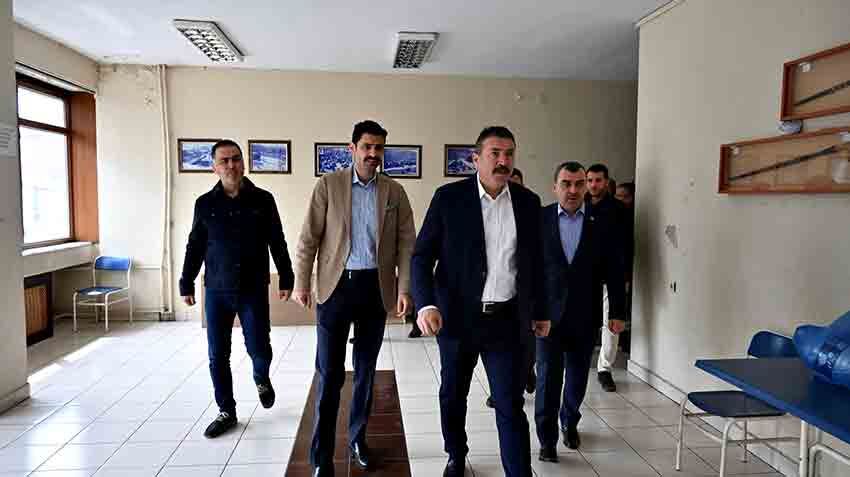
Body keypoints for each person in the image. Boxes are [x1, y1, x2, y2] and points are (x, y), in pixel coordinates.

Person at [412, 127, 549, 477]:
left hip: (507, 320)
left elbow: (537, 262)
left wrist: (541, 311)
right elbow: (422, 256)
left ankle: (518, 472)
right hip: (458, 319)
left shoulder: (528, 202)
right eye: (495, 153)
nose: (503, 161)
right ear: (475, 159)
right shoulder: (449, 199)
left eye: (509, 154)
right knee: (453, 395)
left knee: (509, 403)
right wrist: (426, 304)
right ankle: (456, 454)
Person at [292, 120, 416, 477]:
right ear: (353, 149)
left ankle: (358, 438)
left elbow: (407, 244)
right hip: (335, 288)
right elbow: (308, 237)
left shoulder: (394, 192)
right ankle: (321, 455)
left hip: (375, 289)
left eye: (379, 148)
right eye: (367, 147)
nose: (373, 154)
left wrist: (404, 289)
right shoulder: (329, 185)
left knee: (365, 371)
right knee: (329, 373)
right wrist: (301, 282)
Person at [179, 139, 294, 438]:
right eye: (224, 160)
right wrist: (186, 281)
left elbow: (277, 240)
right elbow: (195, 245)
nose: (231, 165)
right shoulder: (205, 204)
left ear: (244, 163)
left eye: (236, 159)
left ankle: (261, 377)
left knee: (259, 348)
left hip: (252, 288)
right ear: (214, 167)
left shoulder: (263, 200)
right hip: (217, 290)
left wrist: (286, 276)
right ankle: (226, 411)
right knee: (218, 355)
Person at [536, 162, 626, 462]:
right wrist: (531, 312)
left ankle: (569, 421)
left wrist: (617, 312)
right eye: (566, 183)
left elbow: (615, 270)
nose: (573, 190)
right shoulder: (539, 219)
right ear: (555, 187)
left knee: (576, 378)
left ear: (586, 187)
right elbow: (529, 269)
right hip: (547, 317)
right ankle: (547, 439)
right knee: (547, 379)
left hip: (584, 316)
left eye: (578, 184)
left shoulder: (601, 223)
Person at [485, 167, 536, 409]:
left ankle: (521, 378)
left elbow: (537, 260)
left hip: (515, 307)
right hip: (478, 307)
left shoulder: (529, 205)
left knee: (521, 357)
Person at [585, 163, 627, 392]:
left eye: (598, 180)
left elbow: (625, 245)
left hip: (610, 277)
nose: (593, 185)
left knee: (611, 325)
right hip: (584, 277)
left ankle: (604, 369)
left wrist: (624, 275)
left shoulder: (618, 209)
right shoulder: (580, 205)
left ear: (606, 182)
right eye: (590, 180)